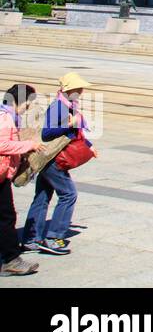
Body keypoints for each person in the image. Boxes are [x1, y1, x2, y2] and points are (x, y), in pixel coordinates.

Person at [23, 73, 96, 256]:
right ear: (69, 90)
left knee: (42, 197)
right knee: (68, 194)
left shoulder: (67, 105)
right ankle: (54, 237)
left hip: (50, 159)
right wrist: (69, 123)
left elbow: (74, 134)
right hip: (54, 160)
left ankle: (31, 239)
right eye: (78, 89)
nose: (81, 91)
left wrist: (89, 146)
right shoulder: (59, 107)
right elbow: (48, 133)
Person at [1, 84, 46, 275]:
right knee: (6, 216)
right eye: (28, 103)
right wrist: (29, 145)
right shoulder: (5, 118)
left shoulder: (7, 115)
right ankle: (11, 260)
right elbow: (2, 144)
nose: (28, 107)